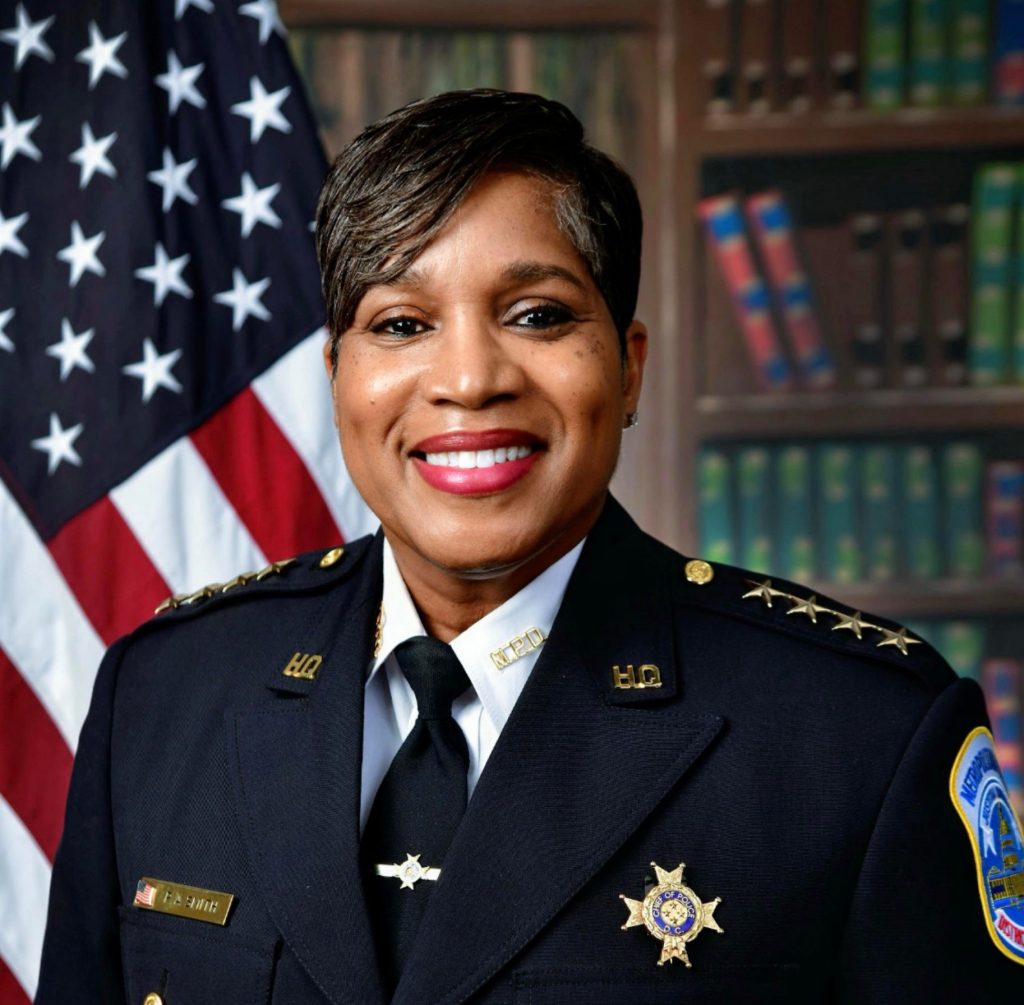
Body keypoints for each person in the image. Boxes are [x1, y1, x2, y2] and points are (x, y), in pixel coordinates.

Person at [37, 89, 1022, 1004]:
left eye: (537, 314)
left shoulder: (861, 734)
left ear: (627, 372)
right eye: (402, 323)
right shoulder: (162, 699)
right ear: (337, 378)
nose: (468, 379)